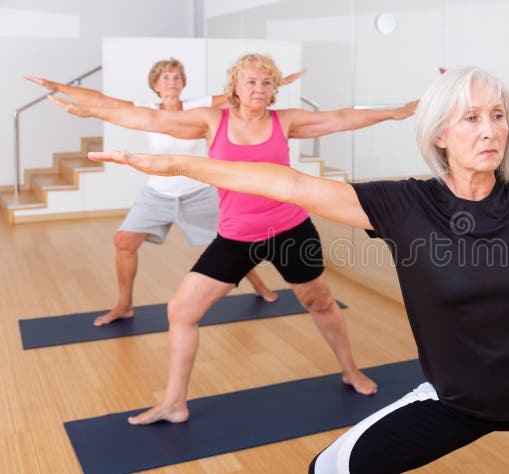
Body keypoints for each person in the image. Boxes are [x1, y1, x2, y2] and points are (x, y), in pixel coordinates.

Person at [87, 66, 509, 474]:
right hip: (455, 399)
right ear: (440, 136)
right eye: (471, 117)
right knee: (328, 472)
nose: (490, 129)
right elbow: (284, 179)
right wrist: (179, 167)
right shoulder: (402, 204)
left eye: (498, 115)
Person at [50, 53, 418, 423]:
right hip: (236, 236)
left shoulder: (284, 120)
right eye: (251, 82)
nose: (259, 89)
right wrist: (95, 112)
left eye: (266, 82)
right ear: (235, 87)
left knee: (320, 303)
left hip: (290, 230)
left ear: (275, 88)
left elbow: (339, 118)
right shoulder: (212, 120)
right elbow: (151, 118)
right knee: (181, 311)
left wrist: (394, 113)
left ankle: (350, 369)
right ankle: (175, 403)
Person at [24, 58, 305, 325]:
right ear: (155, 84)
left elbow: (243, 94)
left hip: (199, 192)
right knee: (124, 241)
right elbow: (101, 101)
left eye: (177, 77)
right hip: (157, 194)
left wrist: (276, 81)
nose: (172, 81)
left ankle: (259, 286)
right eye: (166, 77)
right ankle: (124, 305)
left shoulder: (199, 106)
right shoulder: (146, 108)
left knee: (232, 242)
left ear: (183, 83)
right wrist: (58, 86)